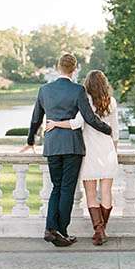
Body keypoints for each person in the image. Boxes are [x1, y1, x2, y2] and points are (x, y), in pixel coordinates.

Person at [22, 53, 112, 247]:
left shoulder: (44, 90)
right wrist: (108, 129)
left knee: (57, 187)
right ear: (75, 68)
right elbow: (89, 117)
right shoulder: (78, 90)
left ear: (57, 67)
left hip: (53, 144)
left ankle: (50, 228)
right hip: (72, 146)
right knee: (67, 190)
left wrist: (31, 141)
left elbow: (36, 118)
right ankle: (60, 231)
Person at [45, 70, 120, 246]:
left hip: (90, 153)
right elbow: (115, 131)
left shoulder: (85, 102)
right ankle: (101, 230)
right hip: (108, 151)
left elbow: (76, 124)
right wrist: (114, 152)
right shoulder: (112, 103)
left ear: (87, 84)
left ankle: (99, 229)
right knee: (107, 193)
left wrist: (55, 123)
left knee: (91, 194)